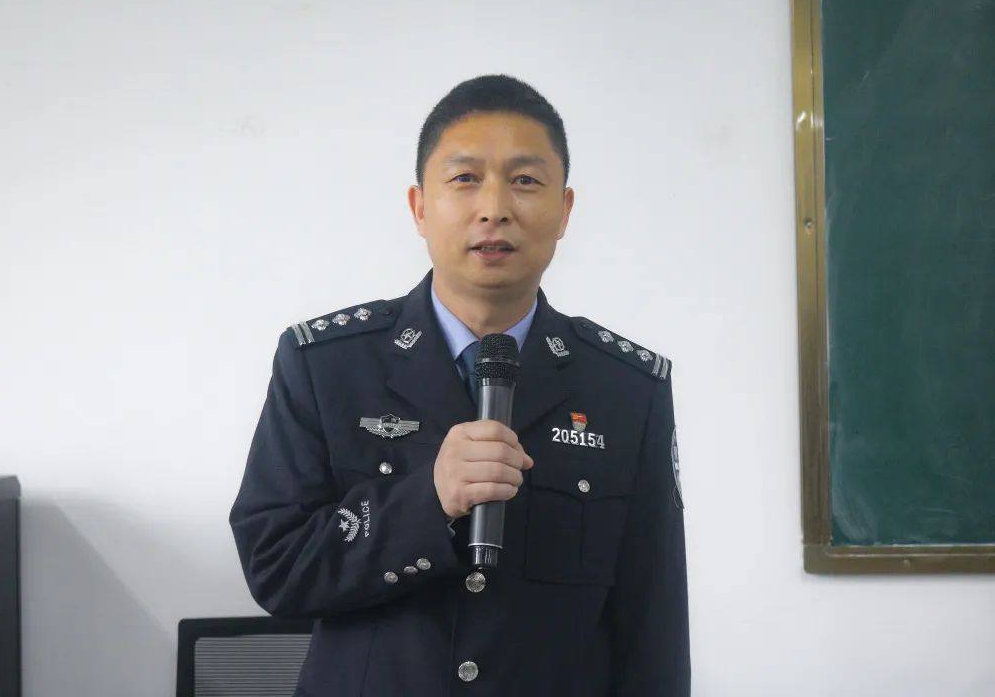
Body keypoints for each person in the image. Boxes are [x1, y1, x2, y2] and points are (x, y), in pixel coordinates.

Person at [230, 74, 690, 696]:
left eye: (525, 181)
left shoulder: (625, 387)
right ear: (420, 207)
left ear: (564, 211)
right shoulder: (325, 365)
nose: (494, 207)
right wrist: (426, 499)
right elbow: (276, 568)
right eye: (466, 178)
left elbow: (652, 624)